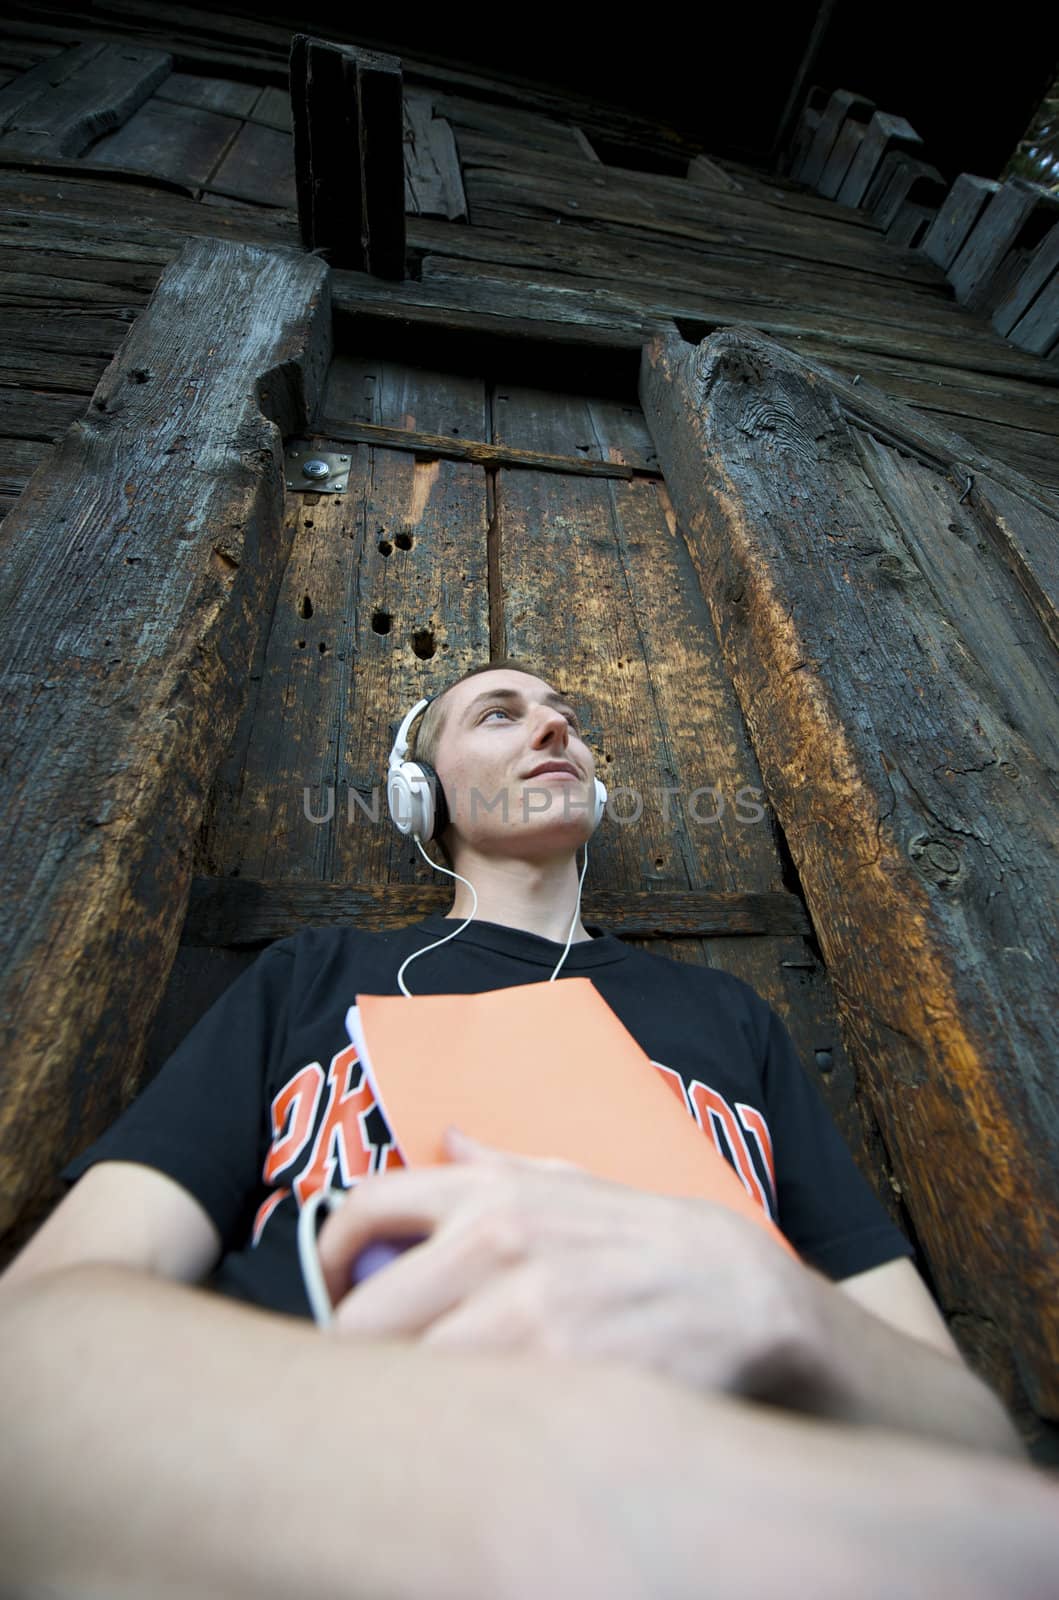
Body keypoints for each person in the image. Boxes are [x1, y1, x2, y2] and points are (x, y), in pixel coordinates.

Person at [1, 659, 1054, 1600]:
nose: (553, 729)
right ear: (424, 795)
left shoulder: (731, 1020)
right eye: (498, 715)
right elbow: (41, 1335)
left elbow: (964, 1432)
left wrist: (782, 1299)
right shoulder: (308, 980)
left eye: (565, 716)